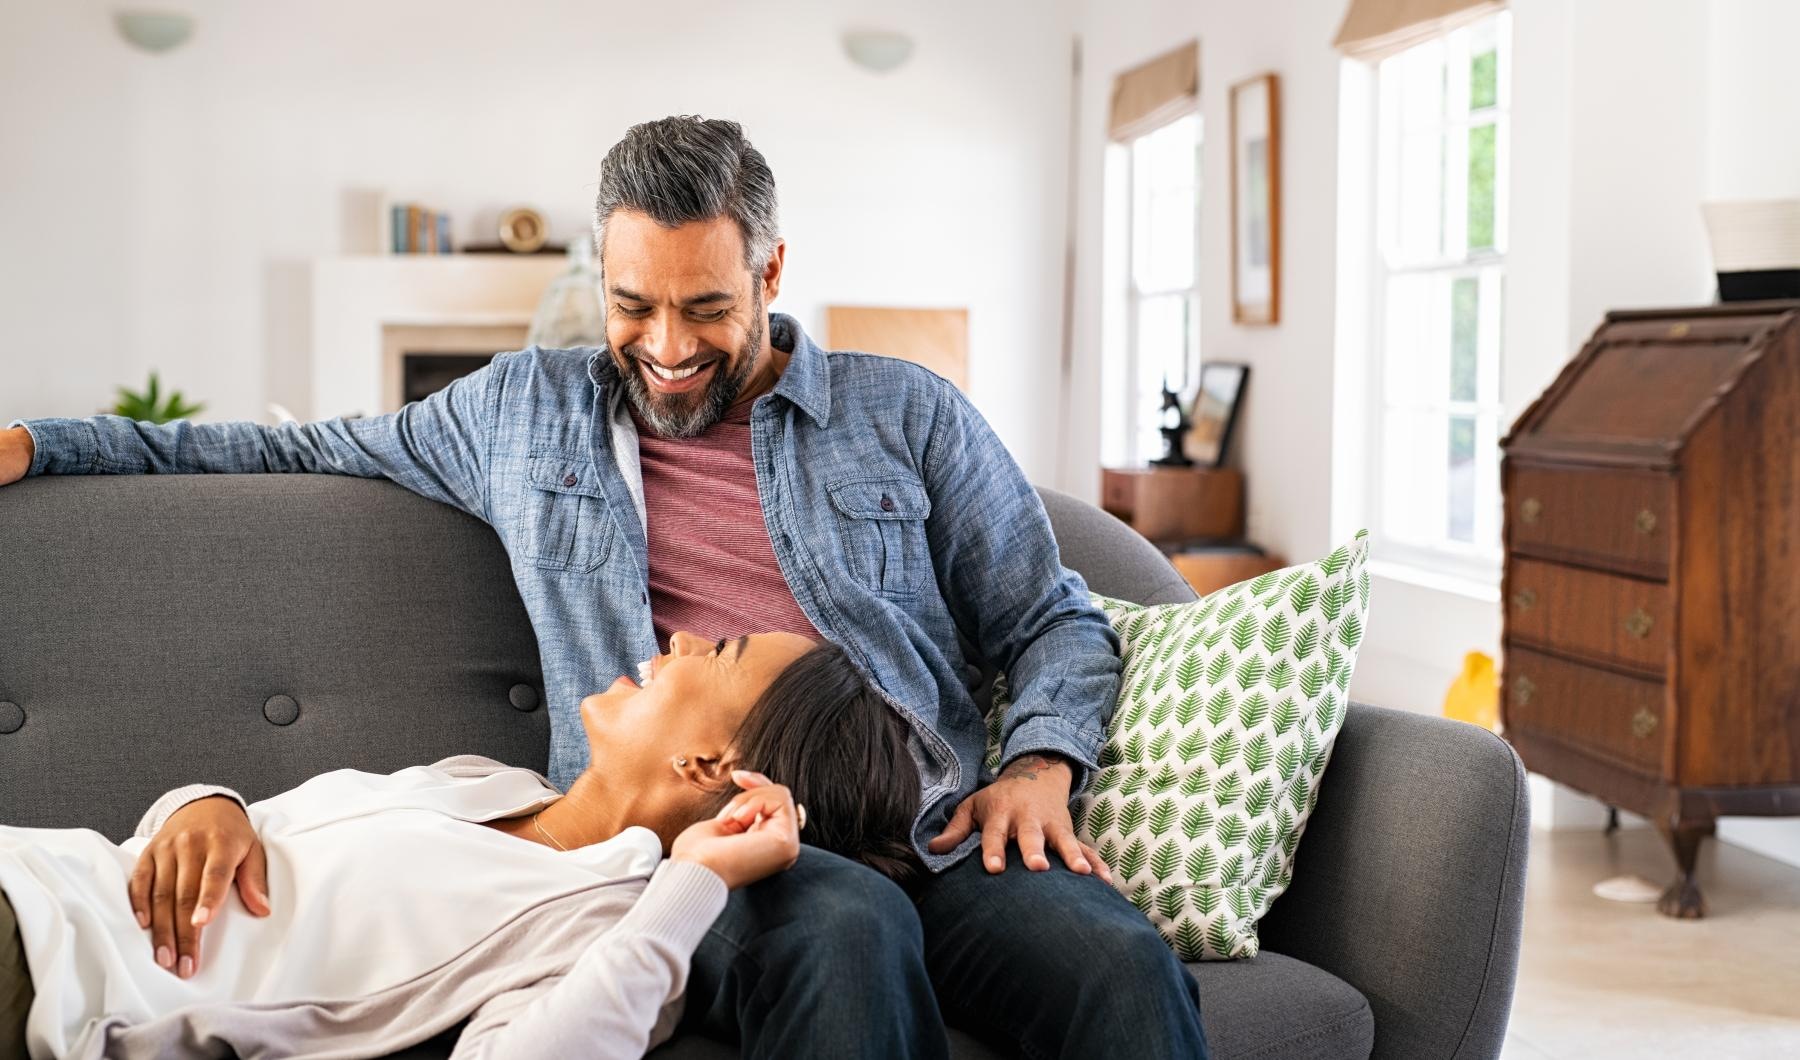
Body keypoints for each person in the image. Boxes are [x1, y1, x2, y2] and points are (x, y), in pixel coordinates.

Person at [0, 115, 1208, 1057]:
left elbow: (1051, 618)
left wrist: (1042, 765)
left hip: (933, 821)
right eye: (635, 305)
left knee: (1116, 965)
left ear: (773, 268)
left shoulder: (907, 414)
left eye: (707, 307)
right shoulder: (519, 414)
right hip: (712, 835)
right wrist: (44, 447)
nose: (669, 346)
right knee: (849, 930)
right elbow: (281, 450)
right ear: (601, 271)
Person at [0, 633, 922, 1059]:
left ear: (709, 762)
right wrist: (203, 803)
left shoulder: (608, 920)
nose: (677, 635)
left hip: (47, 979)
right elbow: (274, 836)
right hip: (37, 871)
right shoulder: (487, 780)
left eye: (716, 651)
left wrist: (690, 881)